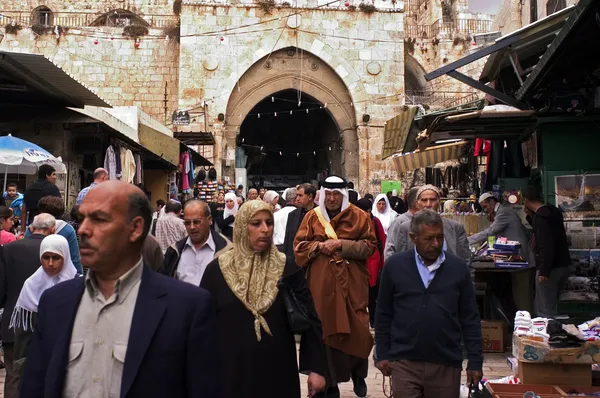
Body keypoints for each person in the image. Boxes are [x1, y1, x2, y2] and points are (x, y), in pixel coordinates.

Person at [21, 181, 220, 397]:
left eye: (99, 219)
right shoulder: (55, 303)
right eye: (82, 219)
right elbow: (35, 386)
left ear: (135, 228)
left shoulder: (186, 309)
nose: (84, 230)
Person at [200, 200, 326, 398]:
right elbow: (202, 326)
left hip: (277, 370)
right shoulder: (217, 271)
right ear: (242, 227)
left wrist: (316, 369)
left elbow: (310, 317)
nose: (265, 229)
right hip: (230, 372)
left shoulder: (286, 267)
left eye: (269, 222)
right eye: (256, 223)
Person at [375, 210, 483, 397]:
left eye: (439, 237)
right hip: (404, 361)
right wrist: (382, 352)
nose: (436, 244)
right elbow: (383, 312)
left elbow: (470, 318)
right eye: (429, 238)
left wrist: (475, 361)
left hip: (446, 363)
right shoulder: (395, 266)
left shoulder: (457, 268)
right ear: (413, 238)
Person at [294, 176, 377, 398]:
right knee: (325, 332)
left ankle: (359, 373)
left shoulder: (360, 217)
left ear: (343, 195)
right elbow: (299, 247)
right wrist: (320, 246)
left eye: (336, 194)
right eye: (328, 194)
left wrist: (342, 244)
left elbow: (369, 246)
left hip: (352, 284)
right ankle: (329, 383)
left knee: (358, 328)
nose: (332, 199)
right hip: (322, 285)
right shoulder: (312, 218)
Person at [0, 213, 56, 398]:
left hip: (13, 322)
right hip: (49, 325)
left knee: (13, 375)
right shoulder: (57, 252)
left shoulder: (9, 249)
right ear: (53, 230)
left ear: (31, 228)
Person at [10, 235, 78, 379]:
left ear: (65, 256)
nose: (50, 263)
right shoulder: (31, 286)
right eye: (46, 257)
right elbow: (24, 333)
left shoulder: (77, 285)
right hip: (38, 360)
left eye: (56, 257)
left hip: (70, 359)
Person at [384, 185, 471, 267]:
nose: (428, 204)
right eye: (424, 200)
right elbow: (399, 259)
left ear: (439, 202)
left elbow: (466, 261)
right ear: (417, 203)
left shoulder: (455, 228)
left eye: (432, 200)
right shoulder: (405, 228)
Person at [522, 186, 571, 318]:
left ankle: (550, 335)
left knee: (545, 310)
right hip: (562, 264)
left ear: (526, 200)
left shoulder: (540, 218)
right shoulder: (552, 212)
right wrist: (531, 216)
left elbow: (545, 244)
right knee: (551, 305)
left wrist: (544, 270)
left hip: (550, 268)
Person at [160, 200, 233, 283]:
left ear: (209, 220)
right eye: (187, 223)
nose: (192, 227)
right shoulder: (174, 251)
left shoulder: (227, 250)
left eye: (197, 222)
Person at [24, 196, 83, 275]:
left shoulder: (33, 227)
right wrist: (79, 275)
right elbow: (74, 258)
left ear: (41, 211)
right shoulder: (67, 229)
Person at [468, 192, 532, 261]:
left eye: (485, 206)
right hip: (514, 252)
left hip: (518, 252)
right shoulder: (500, 212)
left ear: (492, 202)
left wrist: (467, 240)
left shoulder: (503, 212)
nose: (485, 210)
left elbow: (491, 231)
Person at [356, 198, 386, 328]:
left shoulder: (375, 221)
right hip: (358, 258)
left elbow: (382, 241)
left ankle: (373, 320)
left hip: (373, 259)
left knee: (372, 291)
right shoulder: (354, 221)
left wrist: (383, 262)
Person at [282, 184, 316, 259]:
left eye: (300, 195)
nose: (297, 199)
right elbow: (287, 240)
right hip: (294, 261)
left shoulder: (320, 214)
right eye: (296, 195)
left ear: (310, 196)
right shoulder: (292, 215)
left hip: (313, 260)